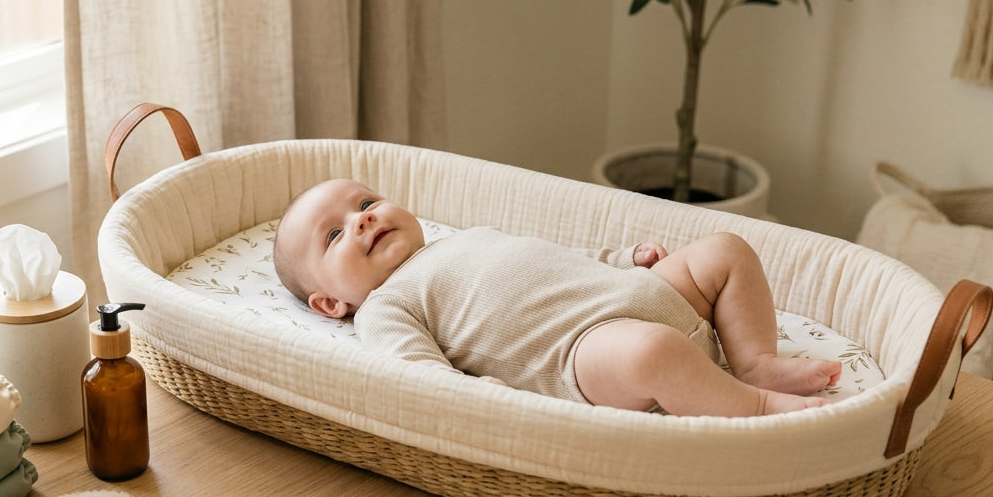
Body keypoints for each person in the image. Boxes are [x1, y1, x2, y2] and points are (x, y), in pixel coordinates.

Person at [272, 178, 840, 417]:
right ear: (328, 304)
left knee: (726, 248)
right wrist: (470, 393)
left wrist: (624, 261)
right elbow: (411, 371)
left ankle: (754, 363)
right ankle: (754, 407)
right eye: (335, 234)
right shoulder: (386, 307)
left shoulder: (462, 238)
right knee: (652, 354)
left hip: (640, 293)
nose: (363, 219)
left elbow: (559, 265)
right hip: (587, 352)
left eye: (366, 201)